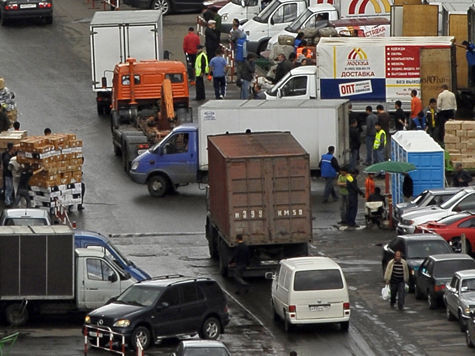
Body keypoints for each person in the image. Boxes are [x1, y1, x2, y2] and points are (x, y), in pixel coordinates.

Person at [2, 142, 15, 207]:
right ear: (11, 149)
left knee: (11, 188)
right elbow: (8, 167)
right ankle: (7, 202)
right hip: (8, 175)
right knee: (8, 188)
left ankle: (10, 200)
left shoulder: (11, 155)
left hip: (11, 175)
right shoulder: (6, 157)